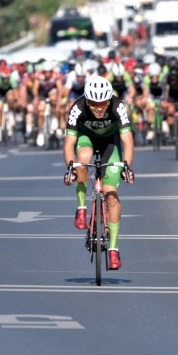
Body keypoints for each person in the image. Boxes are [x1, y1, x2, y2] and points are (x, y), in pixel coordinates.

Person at [63, 75, 135, 270]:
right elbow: (69, 143)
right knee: (83, 158)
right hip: (86, 139)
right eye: (93, 103)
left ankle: (113, 249)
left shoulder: (118, 106)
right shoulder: (77, 108)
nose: (97, 107)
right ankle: (81, 209)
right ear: (86, 100)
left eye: (102, 103)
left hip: (110, 144)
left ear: (109, 99)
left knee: (111, 196)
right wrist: (71, 167)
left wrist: (126, 167)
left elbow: (128, 141)